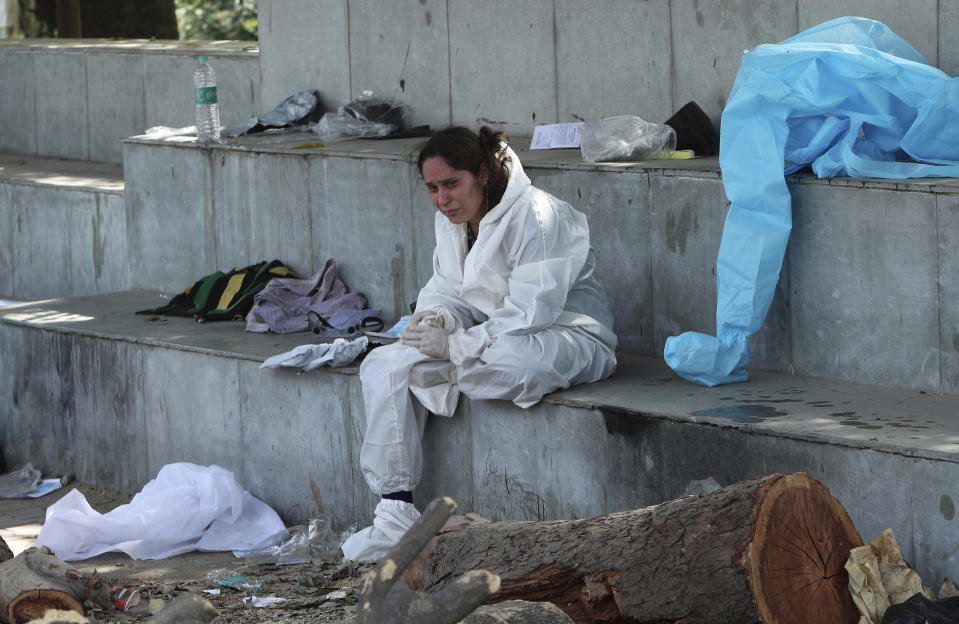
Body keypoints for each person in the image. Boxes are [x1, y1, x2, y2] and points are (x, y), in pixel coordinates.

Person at [340, 126, 617, 561]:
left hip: (565, 336)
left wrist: (453, 346)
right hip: (483, 340)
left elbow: (532, 312)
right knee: (385, 364)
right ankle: (395, 512)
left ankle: (455, 365)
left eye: (452, 184)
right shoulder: (451, 223)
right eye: (432, 188)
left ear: (483, 174)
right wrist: (434, 318)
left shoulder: (538, 214)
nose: (442, 198)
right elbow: (449, 289)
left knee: (511, 366)